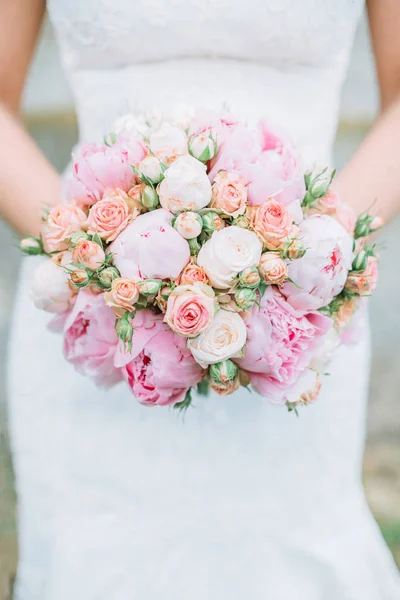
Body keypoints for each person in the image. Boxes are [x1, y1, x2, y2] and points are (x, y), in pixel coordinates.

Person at [2, 1, 400, 598]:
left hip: (297, 324)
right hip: (98, 329)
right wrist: (96, 260)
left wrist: (312, 258)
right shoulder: (98, 285)